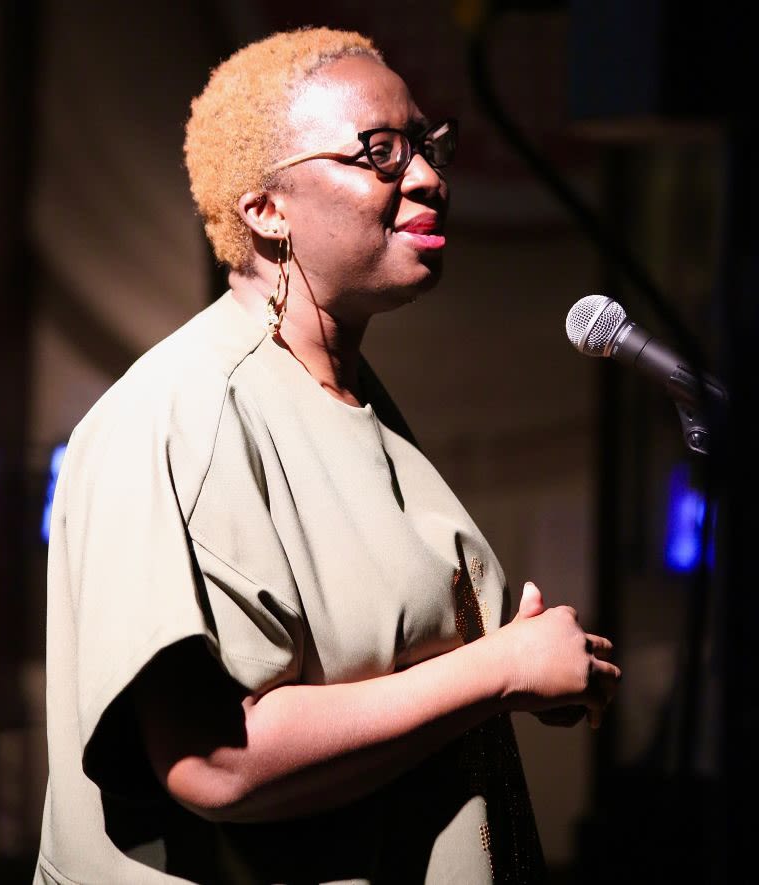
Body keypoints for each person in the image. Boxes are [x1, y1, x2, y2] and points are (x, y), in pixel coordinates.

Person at [34, 26, 621, 885]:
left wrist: (528, 673)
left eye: (427, 144)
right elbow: (214, 763)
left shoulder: (345, 393)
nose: (425, 176)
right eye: (379, 152)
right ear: (266, 210)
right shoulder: (184, 413)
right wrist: (497, 673)